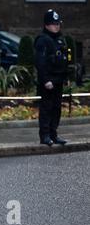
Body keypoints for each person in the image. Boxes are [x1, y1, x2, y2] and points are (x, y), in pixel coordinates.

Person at [34, 10, 68, 146]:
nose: (56, 26)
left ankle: (54, 134)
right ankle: (45, 135)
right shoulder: (43, 40)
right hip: (48, 82)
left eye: (58, 24)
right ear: (47, 25)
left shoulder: (59, 39)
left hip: (58, 81)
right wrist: (46, 80)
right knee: (47, 108)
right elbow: (40, 63)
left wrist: (66, 77)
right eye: (53, 24)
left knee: (56, 109)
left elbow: (64, 61)